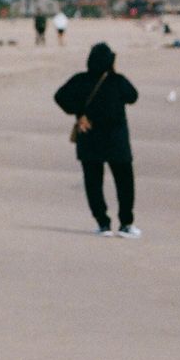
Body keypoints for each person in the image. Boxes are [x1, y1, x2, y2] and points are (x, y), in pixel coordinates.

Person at [53, 41, 139, 236]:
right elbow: (133, 96)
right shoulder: (117, 81)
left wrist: (78, 112)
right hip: (117, 141)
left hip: (89, 139)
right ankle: (126, 224)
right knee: (124, 181)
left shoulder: (80, 80)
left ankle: (103, 223)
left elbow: (59, 97)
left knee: (93, 183)